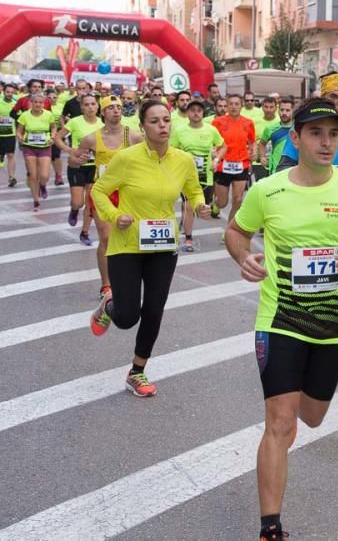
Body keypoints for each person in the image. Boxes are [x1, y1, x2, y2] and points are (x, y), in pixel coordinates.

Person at [224, 97, 338, 541]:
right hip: (279, 319)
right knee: (279, 423)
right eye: (317, 133)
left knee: (312, 417)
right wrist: (244, 257)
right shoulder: (270, 189)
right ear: (296, 137)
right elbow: (235, 231)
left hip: (331, 323)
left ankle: (292, 416)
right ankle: (271, 526)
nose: (327, 142)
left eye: (334, 134)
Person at [89, 100, 210, 397]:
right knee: (128, 316)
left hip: (163, 244)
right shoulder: (127, 158)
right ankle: (109, 306)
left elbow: (193, 189)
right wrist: (116, 216)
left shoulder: (182, 160)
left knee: (154, 309)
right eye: (155, 121)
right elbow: (99, 190)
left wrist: (199, 204)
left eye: (166, 120)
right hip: (127, 244)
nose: (163, 126)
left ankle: (137, 371)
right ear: (142, 127)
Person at [275, 72, 338, 339]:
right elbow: (283, 168)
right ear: (322, 97)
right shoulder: (308, 129)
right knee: (308, 281)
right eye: (333, 96)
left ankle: (337, 341)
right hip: (306, 214)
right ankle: (301, 331)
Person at [77, 97, 145, 298]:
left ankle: (127, 278)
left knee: (128, 238)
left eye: (119, 107)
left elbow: (148, 157)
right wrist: (77, 159)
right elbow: (75, 160)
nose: (116, 111)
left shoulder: (133, 136)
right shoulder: (91, 138)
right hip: (103, 192)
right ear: (103, 113)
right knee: (106, 237)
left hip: (127, 192)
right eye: (111, 108)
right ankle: (106, 285)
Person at [170, 99, 226, 252]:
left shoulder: (211, 130)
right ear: (187, 113)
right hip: (187, 176)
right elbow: (170, 150)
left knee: (205, 205)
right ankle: (188, 239)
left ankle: (211, 205)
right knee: (189, 206)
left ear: (203, 113)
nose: (195, 113)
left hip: (206, 175)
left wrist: (216, 159)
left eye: (199, 110)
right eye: (192, 110)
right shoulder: (179, 131)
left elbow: (223, 146)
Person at [55, 93, 103, 243]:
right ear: (81, 107)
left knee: (90, 203)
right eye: (86, 104)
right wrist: (70, 151)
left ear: (97, 106)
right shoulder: (75, 122)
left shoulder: (103, 124)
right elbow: (57, 138)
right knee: (78, 202)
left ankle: (85, 232)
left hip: (95, 167)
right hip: (77, 166)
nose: (90, 107)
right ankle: (74, 210)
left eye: (93, 104)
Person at [211, 94, 257, 227]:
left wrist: (253, 152)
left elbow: (252, 142)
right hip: (222, 165)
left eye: (237, 104)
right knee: (223, 202)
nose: (234, 107)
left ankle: (229, 230)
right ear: (227, 106)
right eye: (230, 104)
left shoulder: (248, 123)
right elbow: (212, 141)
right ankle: (216, 205)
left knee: (237, 200)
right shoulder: (218, 122)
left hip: (241, 164)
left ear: (241, 106)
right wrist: (213, 153)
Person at [16, 92, 57, 211]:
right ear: (31, 103)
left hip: (45, 146)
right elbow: (19, 131)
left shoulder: (48, 114)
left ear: (43, 104)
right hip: (29, 147)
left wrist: (53, 137)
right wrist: (20, 137)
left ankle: (43, 185)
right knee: (33, 176)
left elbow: (53, 127)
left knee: (44, 175)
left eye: (40, 102)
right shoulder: (24, 115)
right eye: (35, 102)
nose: (38, 104)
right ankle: (36, 200)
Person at [261, 97, 294, 175]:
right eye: (282, 110)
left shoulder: (299, 129)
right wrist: (262, 156)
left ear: (293, 111)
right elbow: (262, 144)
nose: (284, 113)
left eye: (287, 110)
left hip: (293, 172)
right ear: (278, 111)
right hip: (276, 172)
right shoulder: (270, 129)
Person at [251, 95, 279, 181]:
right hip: (258, 161)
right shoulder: (254, 121)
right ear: (262, 107)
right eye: (266, 107)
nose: (268, 110)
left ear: (275, 108)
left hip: (276, 161)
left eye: (271, 107)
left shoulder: (280, 122)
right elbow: (251, 141)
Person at [0, 83, 18, 187]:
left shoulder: (16, 103)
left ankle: (11, 177)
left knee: (10, 155)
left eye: (12, 92)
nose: (9, 94)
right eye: (8, 92)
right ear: (3, 92)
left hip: (10, 134)